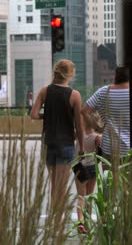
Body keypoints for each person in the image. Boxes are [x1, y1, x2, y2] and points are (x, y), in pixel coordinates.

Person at [30, 59, 84, 215]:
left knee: (54, 186)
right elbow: (79, 126)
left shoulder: (44, 91)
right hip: (65, 145)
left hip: (47, 144)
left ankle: (54, 219)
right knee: (61, 188)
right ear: (70, 75)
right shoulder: (75, 95)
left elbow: (33, 114)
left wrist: (46, 116)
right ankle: (57, 223)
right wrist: (81, 146)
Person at [82, 66, 130, 164]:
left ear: (116, 76)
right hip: (130, 151)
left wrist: (97, 128)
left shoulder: (104, 91)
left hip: (109, 147)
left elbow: (85, 111)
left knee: (109, 178)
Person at [73, 112, 102, 234]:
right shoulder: (97, 137)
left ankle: (81, 221)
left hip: (79, 166)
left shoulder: (79, 135)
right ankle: (88, 220)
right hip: (92, 167)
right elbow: (99, 154)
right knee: (89, 196)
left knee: (81, 196)